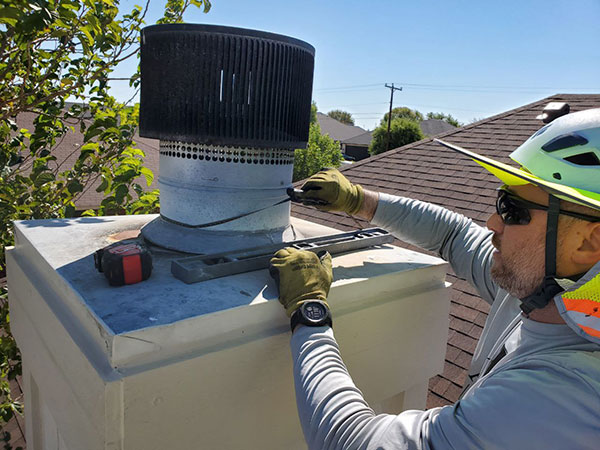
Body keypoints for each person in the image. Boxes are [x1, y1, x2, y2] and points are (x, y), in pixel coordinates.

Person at [269, 108, 600, 449]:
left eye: (513, 211)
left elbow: (353, 443)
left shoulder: (563, 398)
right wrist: (358, 200)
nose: (492, 222)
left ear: (590, 241)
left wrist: (309, 312)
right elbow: (454, 234)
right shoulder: (555, 288)